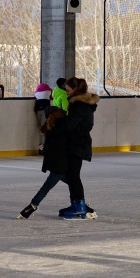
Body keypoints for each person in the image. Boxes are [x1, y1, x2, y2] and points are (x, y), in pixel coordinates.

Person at [17, 108, 97, 220]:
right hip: (61, 164)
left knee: (48, 187)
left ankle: (32, 206)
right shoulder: (63, 128)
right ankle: (82, 206)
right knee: (72, 184)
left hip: (58, 166)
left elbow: (54, 148)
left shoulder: (53, 129)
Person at [59, 77, 98, 220]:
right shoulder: (81, 104)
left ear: (75, 89)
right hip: (78, 143)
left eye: (68, 88)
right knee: (71, 174)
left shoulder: (79, 105)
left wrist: (58, 123)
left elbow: (71, 125)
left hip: (77, 144)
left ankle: (80, 206)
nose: (66, 90)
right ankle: (75, 203)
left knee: (73, 176)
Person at [34, 83, 53, 155]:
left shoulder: (36, 93)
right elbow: (52, 98)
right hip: (45, 111)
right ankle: (43, 148)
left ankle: (41, 147)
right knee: (44, 129)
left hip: (38, 110)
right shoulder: (49, 92)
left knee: (41, 128)